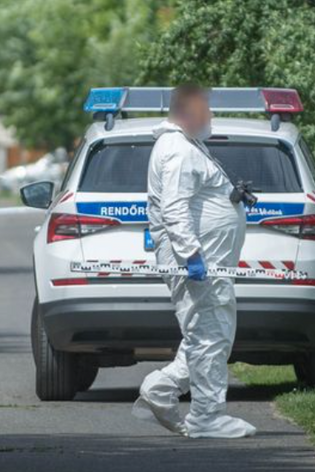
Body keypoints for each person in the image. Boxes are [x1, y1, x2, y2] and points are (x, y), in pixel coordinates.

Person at [132, 84, 256, 439]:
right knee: (209, 336)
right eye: (207, 109)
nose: (212, 115)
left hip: (207, 259)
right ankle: (207, 415)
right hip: (197, 262)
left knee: (207, 334)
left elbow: (195, 198)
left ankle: (159, 389)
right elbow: (174, 206)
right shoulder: (177, 150)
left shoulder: (187, 146)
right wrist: (192, 255)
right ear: (188, 111)